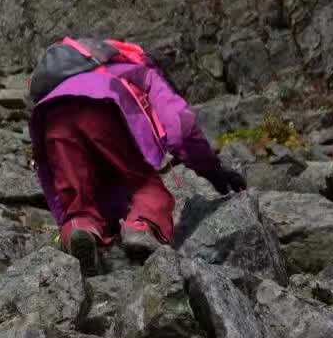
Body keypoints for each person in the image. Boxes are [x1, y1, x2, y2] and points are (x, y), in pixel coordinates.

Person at [27, 37, 247, 276]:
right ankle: (142, 227)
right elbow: (180, 125)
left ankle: (80, 229)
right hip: (101, 108)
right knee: (145, 186)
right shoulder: (140, 69)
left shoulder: (70, 79)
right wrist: (211, 170)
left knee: (78, 200)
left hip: (51, 121)